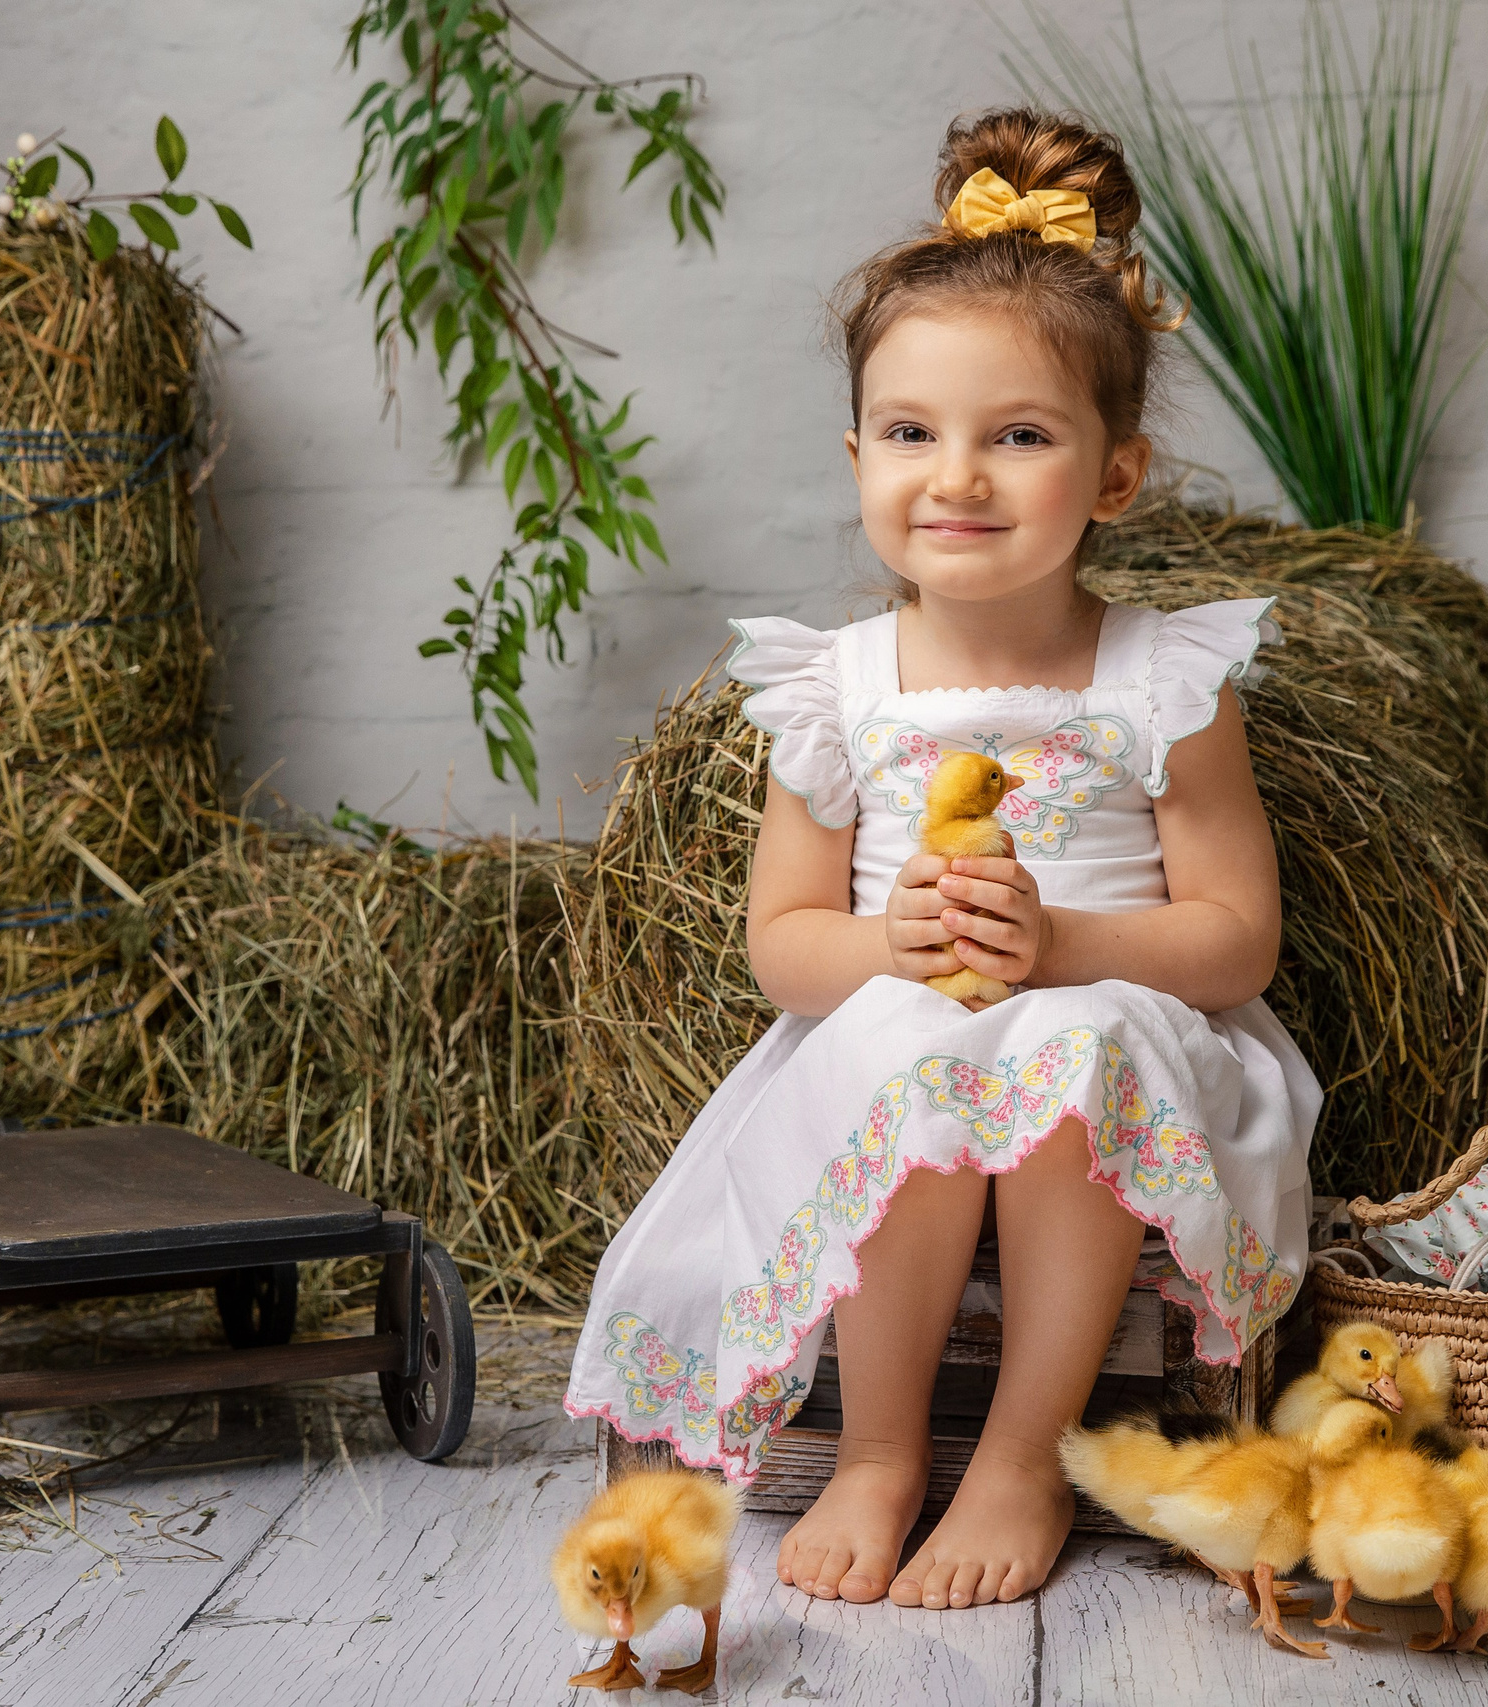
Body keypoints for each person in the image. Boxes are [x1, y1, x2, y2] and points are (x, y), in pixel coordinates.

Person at [563, 107, 1318, 1613]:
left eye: (1018, 436)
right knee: (909, 1042)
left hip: (1129, 1034)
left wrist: (1069, 946)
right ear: (857, 454)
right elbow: (784, 941)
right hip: (900, 1028)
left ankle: (1025, 1454)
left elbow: (1236, 940)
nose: (956, 476)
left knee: (1067, 1049)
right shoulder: (839, 686)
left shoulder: (1163, 680)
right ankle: (882, 1447)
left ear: (1114, 475)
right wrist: (892, 946)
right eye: (910, 433)